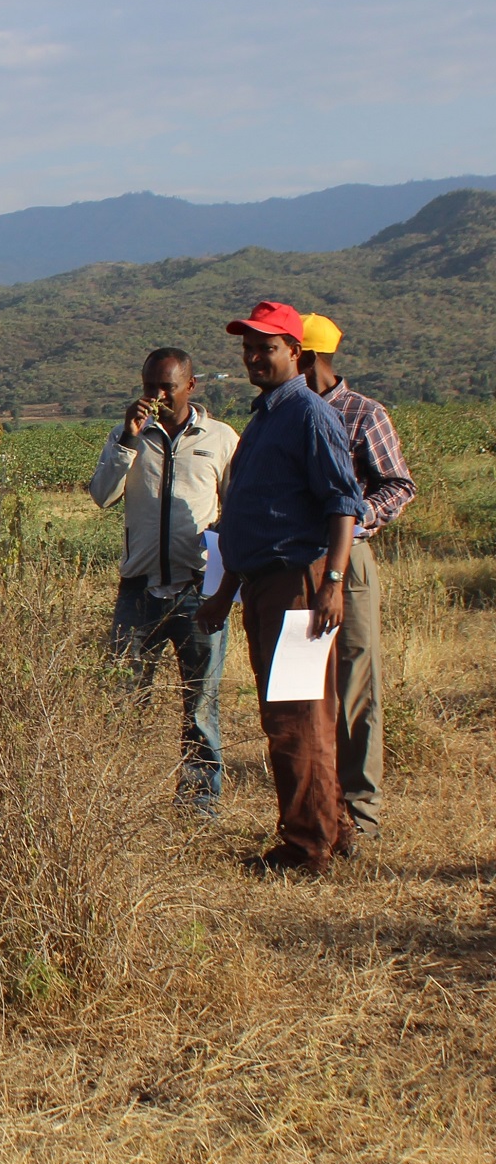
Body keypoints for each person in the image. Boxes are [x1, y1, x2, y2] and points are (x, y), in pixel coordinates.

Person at [196, 302, 368, 874]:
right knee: (292, 714)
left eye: (266, 347)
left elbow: (344, 504)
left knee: (297, 717)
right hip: (267, 586)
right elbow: (257, 515)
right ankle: (329, 829)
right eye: (248, 347)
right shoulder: (268, 416)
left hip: (299, 584)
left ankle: (305, 848)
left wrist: (333, 583)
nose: (253, 357)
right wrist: (225, 595)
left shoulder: (309, 415)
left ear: (296, 351)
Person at [88, 348, 239, 813]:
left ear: (190, 386)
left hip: (198, 591)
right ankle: (121, 800)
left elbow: (235, 508)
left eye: (166, 387)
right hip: (139, 590)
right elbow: (102, 496)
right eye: (149, 385)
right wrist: (127, 443)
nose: (155, 395)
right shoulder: (127, 437)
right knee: (124, 698)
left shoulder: (219, 438)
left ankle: (198, 802)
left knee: (199, 703)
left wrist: (226, 573)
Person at [299, 313, 416, 848]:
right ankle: (320, 810)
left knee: (354, 684)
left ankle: (360, 811)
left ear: (306, 357)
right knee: (304, 685)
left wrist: (351, 519)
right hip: (299, 563)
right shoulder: (286, 413)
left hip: (352, 562)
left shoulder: (363, 413)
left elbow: (398, 485)